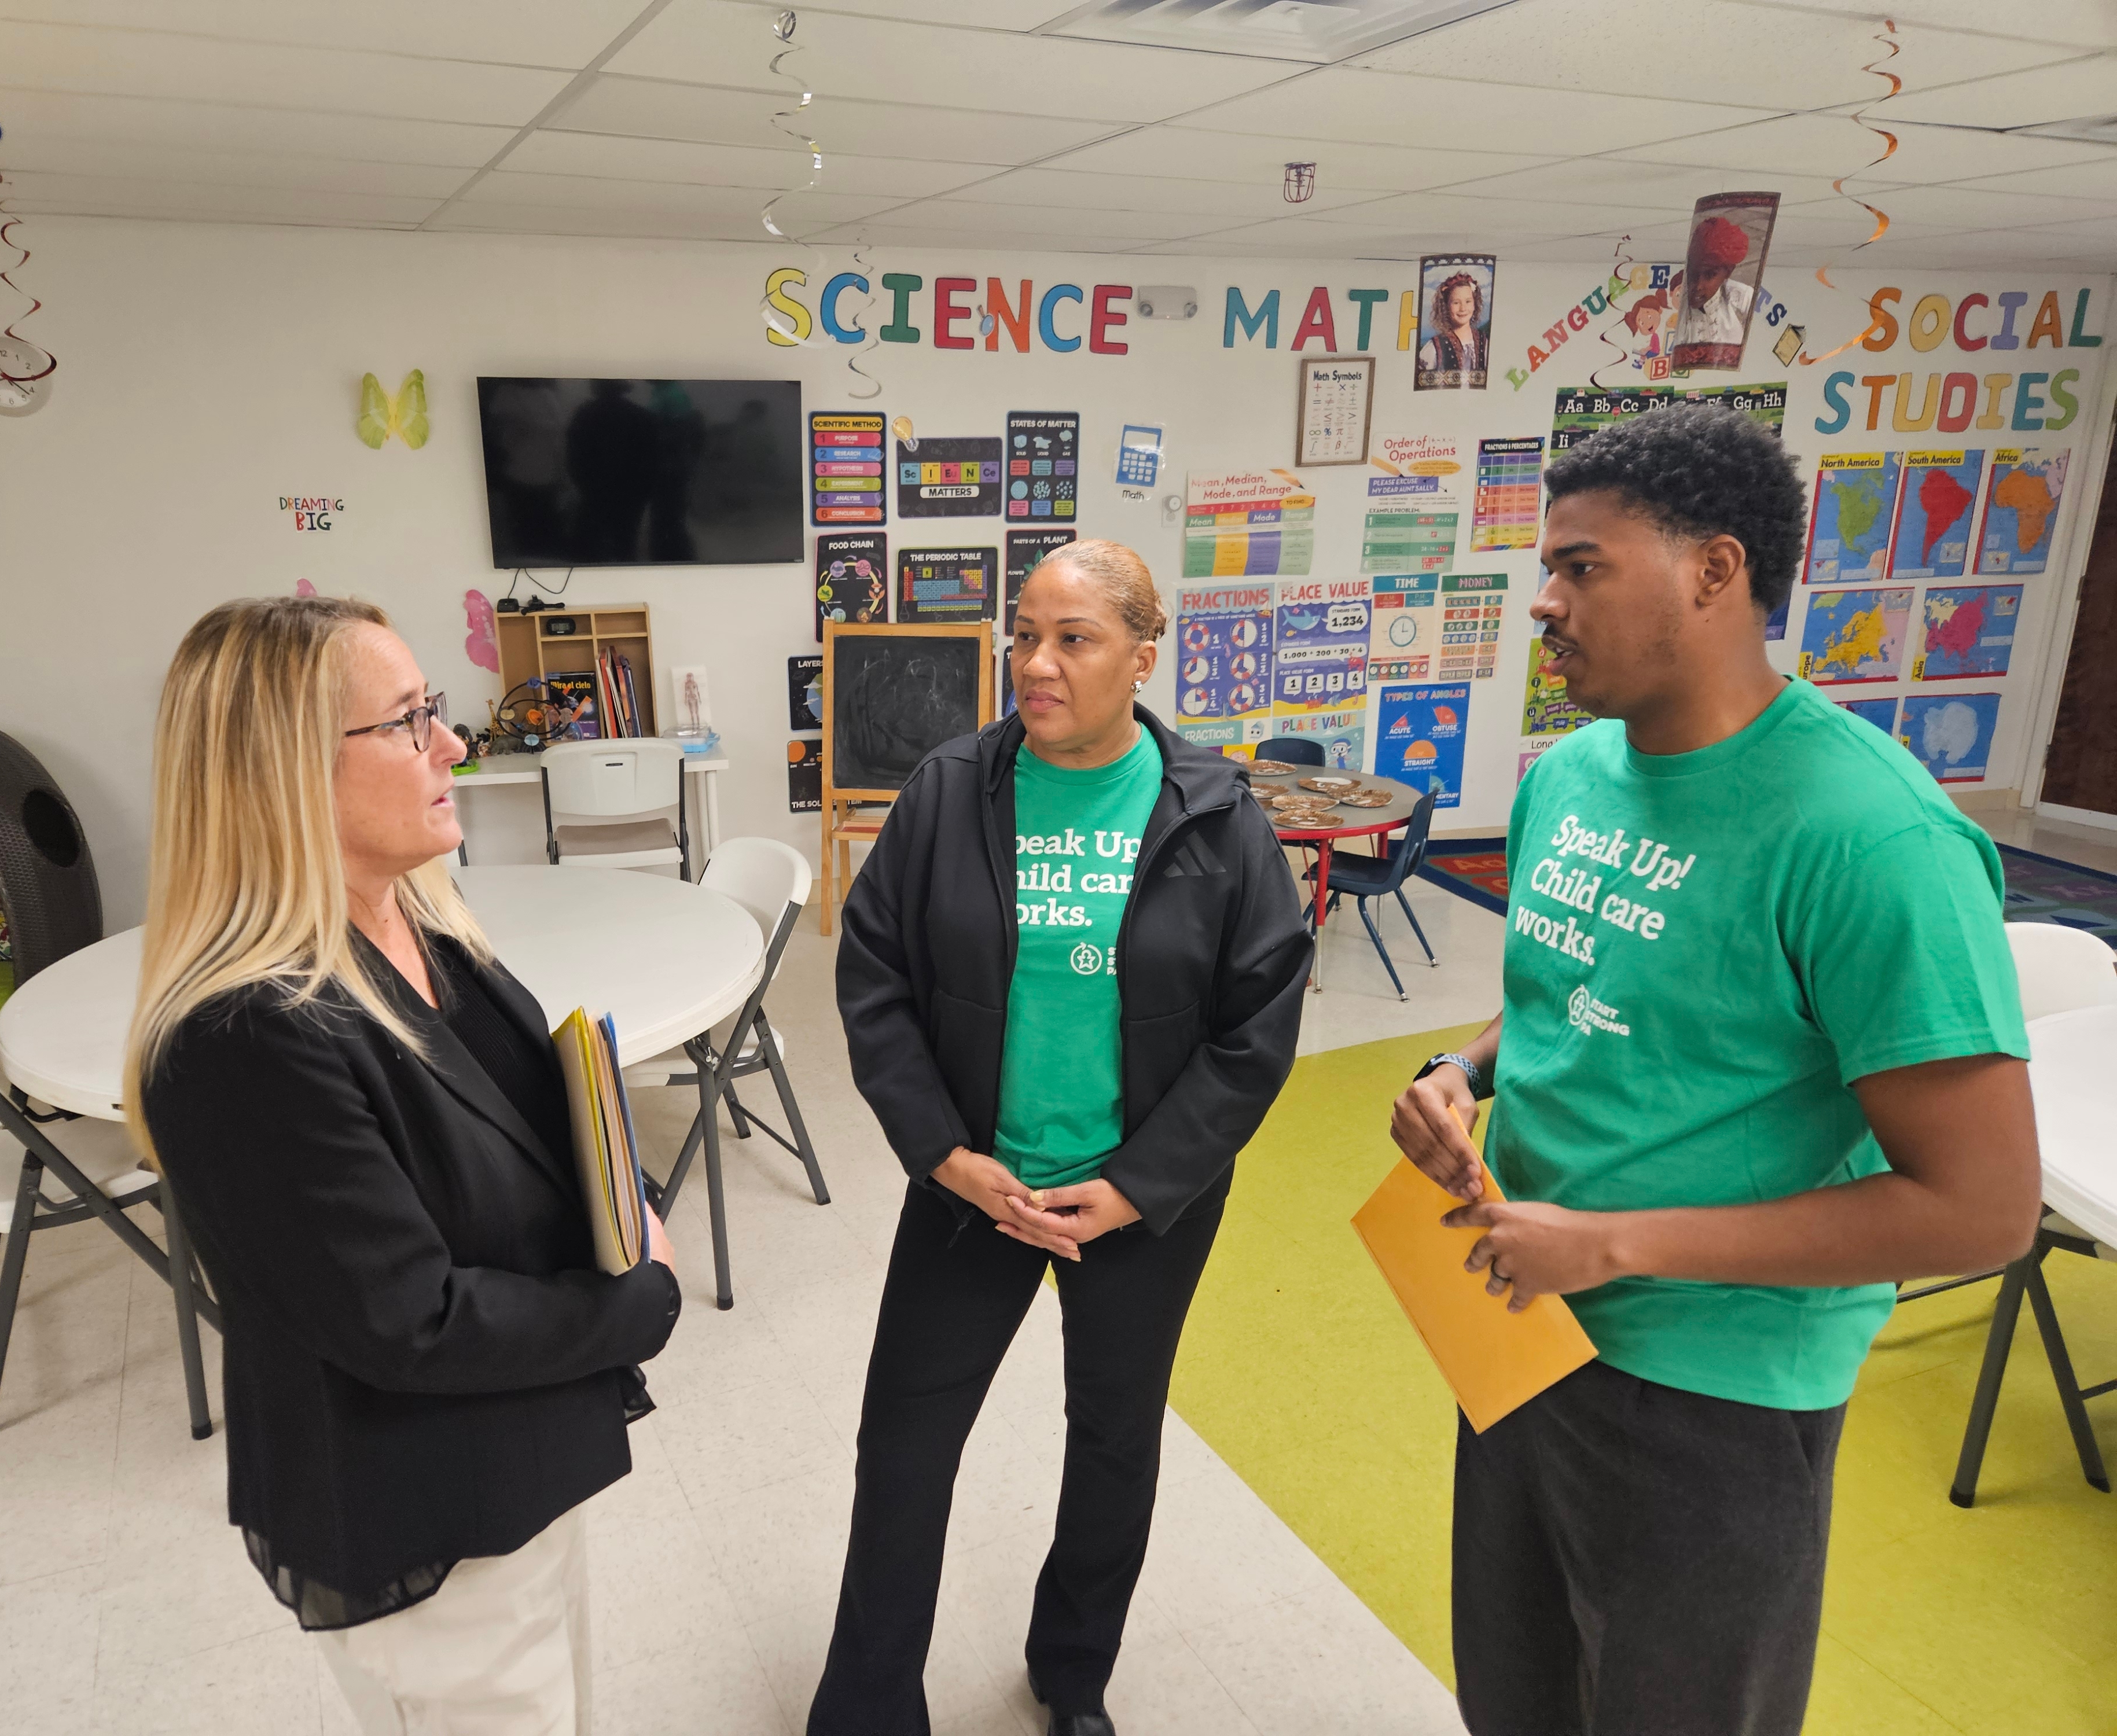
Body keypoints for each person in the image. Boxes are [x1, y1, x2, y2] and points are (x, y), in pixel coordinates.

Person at [1387, 404, 2039, 1736]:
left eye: (1580, 567)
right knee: (1512, 1696)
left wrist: (1612, 1244)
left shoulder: (1872, 840)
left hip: (1712, 1398)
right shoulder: (1570, 776)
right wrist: (1463, 1071)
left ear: (1713, 570)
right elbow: (1596, 986)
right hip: (1519, 1324)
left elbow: (1982, 1209)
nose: (1543, 603)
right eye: (1547, 568)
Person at [128, 595, 681, 1734]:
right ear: (283, 771)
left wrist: (624, 1200)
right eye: (405, 721)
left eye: (435, 709)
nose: (453, 745)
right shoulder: (243, 1038)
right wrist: (642, 1297)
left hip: (524, 1454)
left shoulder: (421, 923)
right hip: (430, 1520)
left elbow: (530, 1117)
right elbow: (408, 1323)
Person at [814, 541, 1315, 1736]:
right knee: (904, 1445)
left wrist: (1139, 1186)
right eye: (1024, 636)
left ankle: (1074, 1672)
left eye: (1072, 640)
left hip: (1138, 1205)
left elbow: (1256, 1028)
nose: (1035, 664)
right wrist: (944, 1157)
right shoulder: (948, 791)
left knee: (1112, 1442)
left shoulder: (1215, 815)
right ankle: (869, 1704)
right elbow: (874, 978)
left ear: (1142, 658)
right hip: (973, 1188)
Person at [1673, 214, 1758, 360]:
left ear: (1728, 272)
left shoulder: (1743, 297)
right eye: (1693, 274)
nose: (1698, 286)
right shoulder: (1681, 311)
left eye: (1709, 275)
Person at [1417, 269, 1489, 382]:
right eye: (1456, 303)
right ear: (1447, 306)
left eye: (1468, 302)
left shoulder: (1484, 342)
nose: (1463, 308)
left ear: (1475, 304)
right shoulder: (1435, 347)